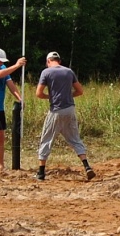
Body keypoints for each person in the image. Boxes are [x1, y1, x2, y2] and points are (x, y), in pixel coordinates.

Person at [35, 51, 94, 181]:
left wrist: (50, 97)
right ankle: (87, 166)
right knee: (75, 139)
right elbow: (80, 91)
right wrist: (68, 95)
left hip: (56, 111)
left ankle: (41, 172)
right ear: (59, 61)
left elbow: (38, 93)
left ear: (48, 61)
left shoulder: (46, 72)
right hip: (70, 110)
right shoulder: (69, 72)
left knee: (46, 139)